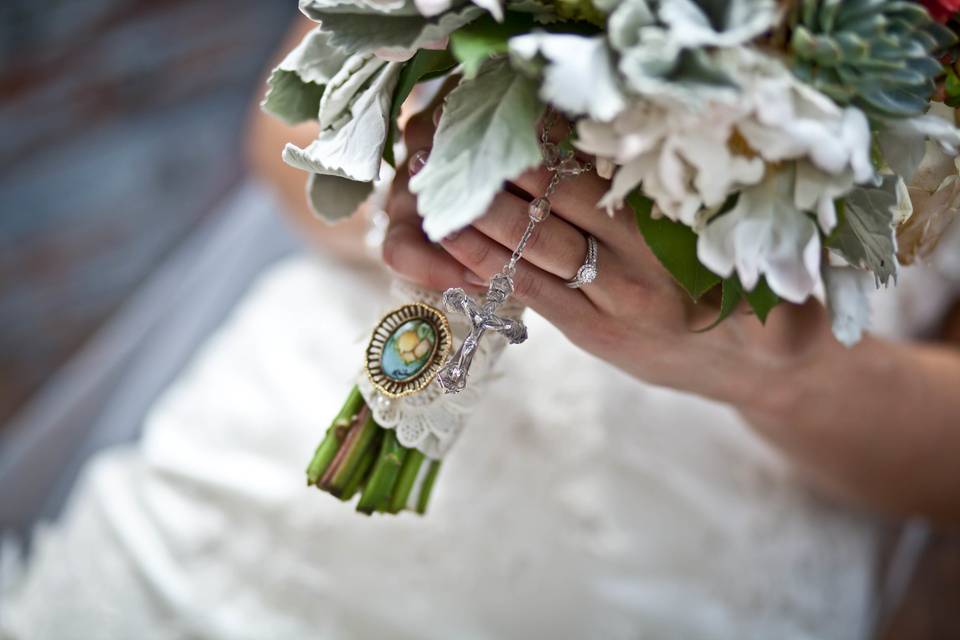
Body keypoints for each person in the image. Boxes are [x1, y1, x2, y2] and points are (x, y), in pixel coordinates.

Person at [4, 20, 959, 639]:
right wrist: (439, 199)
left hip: (688, 566)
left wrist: (767, 368)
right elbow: (285, 128)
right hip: (259, 469)